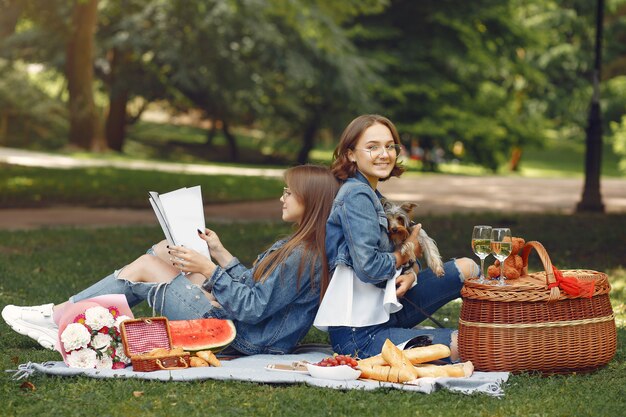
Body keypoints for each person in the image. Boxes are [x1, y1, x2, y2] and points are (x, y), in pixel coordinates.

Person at [2, 164, 340, 356]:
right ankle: (68, 316)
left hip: (245, 337)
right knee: (165, 249)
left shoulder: (304, 254)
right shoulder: (298, 244)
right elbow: (257, 288)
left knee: (148, 267)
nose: (282, 197)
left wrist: (208, 269)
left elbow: (253, 307)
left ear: (310, 200)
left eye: (288, 192)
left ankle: (60, 316)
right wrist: (219, 253)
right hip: (244, 322)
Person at [316, 114, 479, 359]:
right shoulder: (356, 196)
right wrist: (404, 256)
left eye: (389, 146)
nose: (384, 154)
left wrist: (412, 270)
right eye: (372, 147)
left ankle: (488, 326)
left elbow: (406, 247)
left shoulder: (373, 193)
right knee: (468, 344)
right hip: (359, 334)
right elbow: (369, 268)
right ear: (350, 154)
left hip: (388, 305)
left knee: (468, 268)